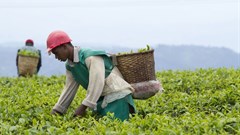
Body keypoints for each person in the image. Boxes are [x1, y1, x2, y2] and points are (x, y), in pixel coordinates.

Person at [47, 30, 136, 121]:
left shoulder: (90, 57)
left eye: (56, 53)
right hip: (101, 99)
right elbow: (69, 89)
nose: (56, 57)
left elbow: (97, 82)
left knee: (115, 128)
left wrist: (83, 107)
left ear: (64, 46)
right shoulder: (70, 65)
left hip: (117, 95)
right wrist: (58, 109)